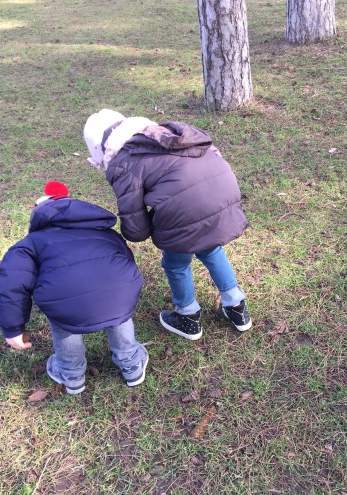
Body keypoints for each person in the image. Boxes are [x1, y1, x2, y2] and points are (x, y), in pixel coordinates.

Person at [83, 109, 252, 341]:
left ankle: (188, 315)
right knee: (211, 248)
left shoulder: (123, 163)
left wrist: (148, 229)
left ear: (101, 149)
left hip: (187, 209)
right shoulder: (165, 134)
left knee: (176, 262)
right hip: (223, 193)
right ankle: (236, 305)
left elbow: (134, 224)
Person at [0, 181, 147, 394]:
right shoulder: (107, 232)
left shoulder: (31, 243)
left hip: (67, 302)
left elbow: (12, 283)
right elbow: (126, 258)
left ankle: (71, 375)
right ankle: (131, 364)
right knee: (118, 311)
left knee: (64, 316)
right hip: (121, 292)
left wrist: (13, 328)